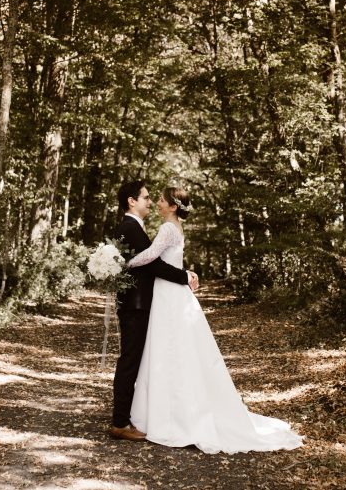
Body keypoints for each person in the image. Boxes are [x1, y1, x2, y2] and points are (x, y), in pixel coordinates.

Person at [125, 187, 303, 454]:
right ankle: (172, 410)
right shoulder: (174, 227)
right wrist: (185, 273)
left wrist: (124, 264)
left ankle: (173, 415)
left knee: (169, 349)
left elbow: (150, 257)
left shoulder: (167, 229)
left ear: (173, 206)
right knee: (172, 350)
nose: (158, 203)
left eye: (161, 199)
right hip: (169, 292)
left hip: (169, 295)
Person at [109, 180, 199, 442]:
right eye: (146, 197)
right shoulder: (130, 227)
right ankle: (119, 422)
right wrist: (184, 275)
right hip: (136, 305)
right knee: (130, 361)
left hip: (145, 303)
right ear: (131, 201)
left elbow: (152, 262)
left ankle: (134, 415)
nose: (151, 202)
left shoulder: (139, 227)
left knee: (140, 359)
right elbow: (153, 265)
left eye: (153, 198)